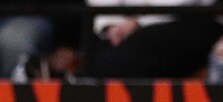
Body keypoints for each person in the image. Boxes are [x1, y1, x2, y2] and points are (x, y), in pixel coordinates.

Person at [84, 0, 223, 78]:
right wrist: (111, 25)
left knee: (122, 59)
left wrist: (140, 22)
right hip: (121, 25)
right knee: (95, 55)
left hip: (190, 18)